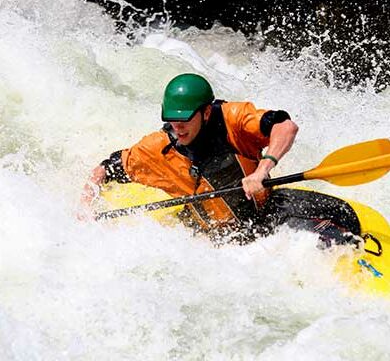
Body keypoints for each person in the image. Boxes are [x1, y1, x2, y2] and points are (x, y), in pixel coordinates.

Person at [80, 73, 361, 246]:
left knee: (345, 214)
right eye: (172, 119)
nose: (178, 127)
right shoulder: (158, 149)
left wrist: (262, 170)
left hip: (265, 213)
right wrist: (84, 205)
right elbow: (104, 170)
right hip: (219, 239)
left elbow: (286, 127)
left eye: (185, 119)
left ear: (205, 112)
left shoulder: (233, 120)